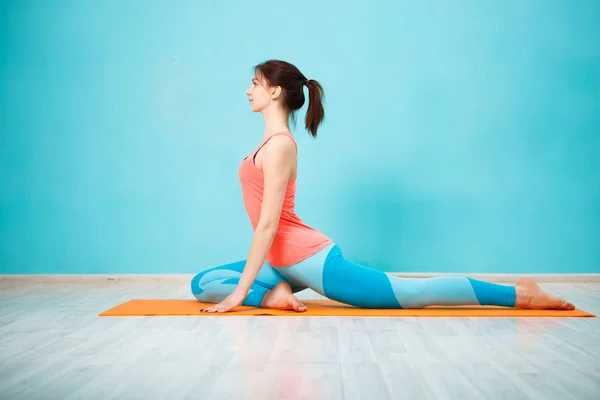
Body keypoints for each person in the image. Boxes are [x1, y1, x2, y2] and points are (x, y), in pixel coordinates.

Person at [192, 59, 575, 313]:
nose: (248, 90)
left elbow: (269, 225)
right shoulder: (267, 143)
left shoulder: (279, 148)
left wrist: (241, 294)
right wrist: (250, 289)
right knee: (203, 283)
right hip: (279, 264)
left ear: (275, 92)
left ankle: (519, 294)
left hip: (307, 259)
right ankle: (275, 295)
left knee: (410, 294)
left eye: (255, 83)